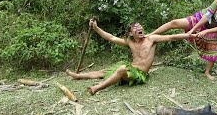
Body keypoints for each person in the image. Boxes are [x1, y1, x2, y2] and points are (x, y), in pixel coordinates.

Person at [66, 19, 197, 95]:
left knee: (122, 68)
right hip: (130, 68)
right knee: (104, 71)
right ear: (130, 33)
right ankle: (78, 76)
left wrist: (189, 35)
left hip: (139, 74)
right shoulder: (130, 42)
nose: (139, 28)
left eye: (140, 26)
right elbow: (111, 37)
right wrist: (96, 28)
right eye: (135, 28)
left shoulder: (151, 39)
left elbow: (171, 36)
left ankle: (96, 88)